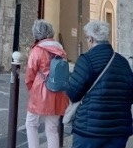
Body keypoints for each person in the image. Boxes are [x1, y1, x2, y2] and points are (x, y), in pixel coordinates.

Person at [65, 20, 133, 148]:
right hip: (119, 130)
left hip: (89, 129)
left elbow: (73, 94)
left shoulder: (86, 60)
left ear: (90, 39)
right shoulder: (122, 61)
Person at [25, 19, 69, 148]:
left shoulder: (37, 50)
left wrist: (31, 89)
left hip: (40, 91)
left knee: (31, 123)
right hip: (59, 91)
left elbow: (29, 75)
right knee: (52, 129)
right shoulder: (61, 50)